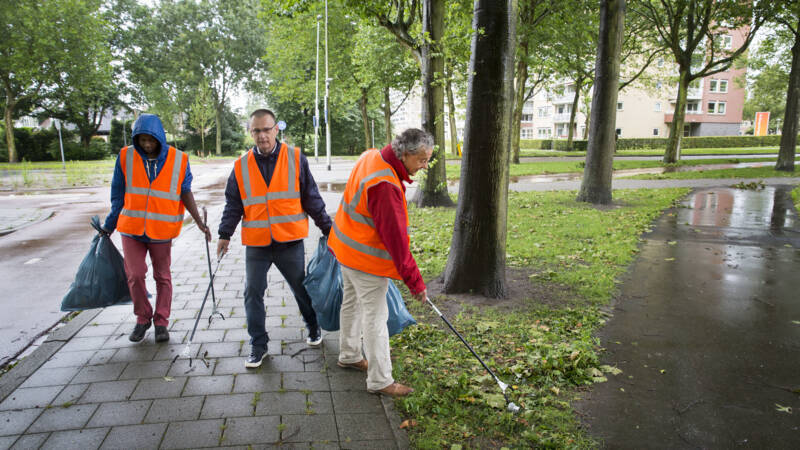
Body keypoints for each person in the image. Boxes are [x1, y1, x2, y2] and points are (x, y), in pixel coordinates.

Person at [217, 109, 332, 369]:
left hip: (289, 240)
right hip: (257, 242)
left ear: (276, 129)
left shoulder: (295, 158)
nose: (262, 136)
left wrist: (327, 228)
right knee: (252, 292)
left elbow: (311, 197)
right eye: (256, 131)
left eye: (266, 130)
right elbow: (233, 204)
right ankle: (258, 345)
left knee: (300, 288)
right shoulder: (241, 165)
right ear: (251, 132)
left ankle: (313, 326)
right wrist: (225, 234)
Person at [327, 128, 432, 397]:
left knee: (350, 304)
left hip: (345, 250)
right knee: (375, 317)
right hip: (365, 260)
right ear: (405, 154)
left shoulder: (371, 156)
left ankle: (349, 354)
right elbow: (397, 242)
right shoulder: (385, 185)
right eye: (421, 159)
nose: (424, 165)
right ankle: (380, 379)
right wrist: (415, 283)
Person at [102, 113, 211, 343]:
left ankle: (161, 321)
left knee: (163, 276)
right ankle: (143, 318)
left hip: (161, 229)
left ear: (160, 138)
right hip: (131, 228)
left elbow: (185, 191)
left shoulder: (179, 159)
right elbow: (117, 194)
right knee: (135, 274)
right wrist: (109, 224)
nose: (147, 145)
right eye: (142, 140)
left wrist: (200, 223)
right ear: (136, 140)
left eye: (151, 140)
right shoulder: (126, 157)